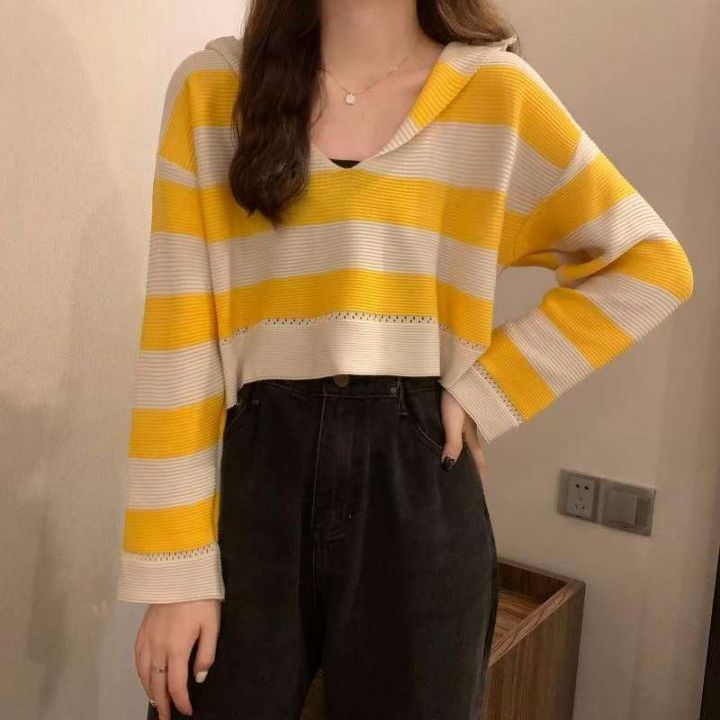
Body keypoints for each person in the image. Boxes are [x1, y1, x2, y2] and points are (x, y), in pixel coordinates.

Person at [116, 1, 694, 718]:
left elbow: (651, 265)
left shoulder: (496, 93)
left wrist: (489, 388)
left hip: (417, 480)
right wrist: (174, 574)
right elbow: (177, 340)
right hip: (254, 482)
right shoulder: (214, 92)